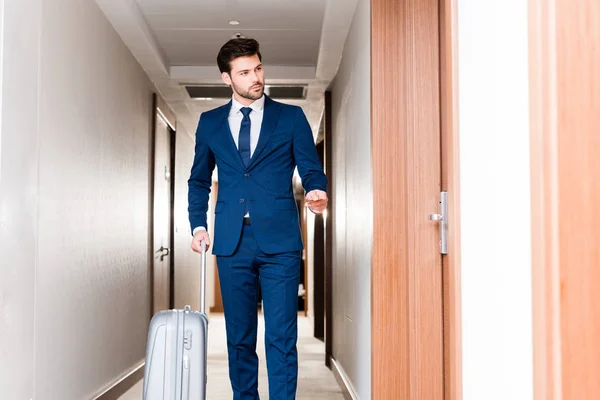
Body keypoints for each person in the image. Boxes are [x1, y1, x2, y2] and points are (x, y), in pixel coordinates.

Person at [187, 38, 328, 400]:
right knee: (239, 338)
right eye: (245, 72)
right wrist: (198, 225)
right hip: (232, 242)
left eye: (258, 68)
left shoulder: (291, 117)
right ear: (226, 78)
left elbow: (311, 169)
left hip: (280, 242)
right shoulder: (210, 123)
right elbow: (199, 179)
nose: (256, 78)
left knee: (281, 337)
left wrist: (316, 190)